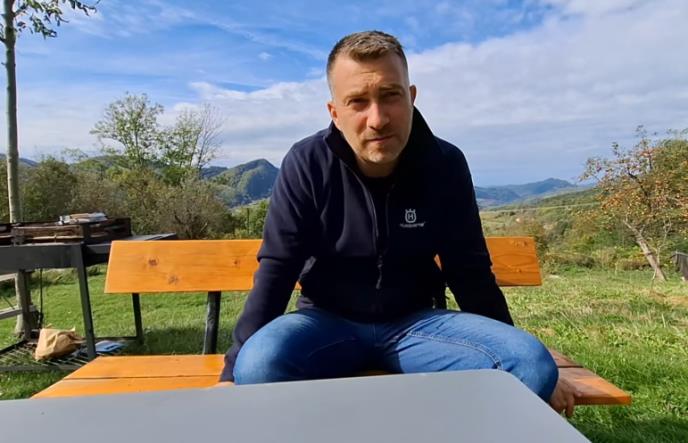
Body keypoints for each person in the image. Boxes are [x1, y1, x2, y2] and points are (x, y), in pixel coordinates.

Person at [220, 30, 579, 416]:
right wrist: (231, 374)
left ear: (411, 97)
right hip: (325, 326)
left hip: (417, 328)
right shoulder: (307, 163)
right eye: (358, 101)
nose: (377, 119)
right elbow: (278, 266)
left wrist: (522, 361)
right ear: (335, 112)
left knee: (530, 364)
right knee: (258, 366)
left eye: (390, 95)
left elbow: (469, 271)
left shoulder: (444, 163)